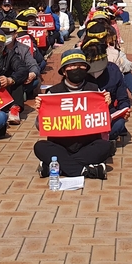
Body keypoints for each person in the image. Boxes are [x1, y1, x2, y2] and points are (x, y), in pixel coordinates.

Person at [32, 48, 114, 180]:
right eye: (73, 66)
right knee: (40, 147)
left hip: (87, 145)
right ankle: (87, 171)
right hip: (60, 145)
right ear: (64, 71)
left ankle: (55, 167)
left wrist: (106, 107)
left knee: (105, 146)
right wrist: (40, 113)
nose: (78, 68)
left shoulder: (94, 90)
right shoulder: (53, 93)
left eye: (82, 65)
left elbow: (106, 123)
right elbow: (41, 126)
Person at [0, 24, 39, 126]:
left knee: (17, 78)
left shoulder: (11, 54)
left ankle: (15, 109)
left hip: (3, 87)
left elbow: (23, 69)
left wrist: (10, 80)